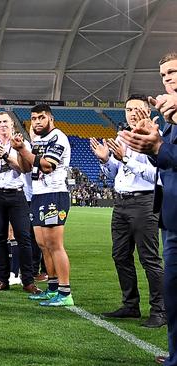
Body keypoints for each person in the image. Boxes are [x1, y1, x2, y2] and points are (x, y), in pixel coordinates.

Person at [118, 51, 177, 366]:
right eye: (164, 75)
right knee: (173, 288)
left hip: (152, 208)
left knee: (158, 270)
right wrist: (152, 148)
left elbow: (165, 160)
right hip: (170, 216)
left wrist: (157, 149)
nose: (168, 79)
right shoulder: (167, 119)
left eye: (173, 72)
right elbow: (164, 165)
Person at [91, 94, 165, 328]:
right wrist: (106, 161)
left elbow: (158, 177)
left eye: (137, 109)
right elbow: (116, 173)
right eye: (127, 109)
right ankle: (130, 305)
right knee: (120, 256)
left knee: (149, 259)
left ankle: (159, 311)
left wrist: (126, 160)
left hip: (145, 202)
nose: (131, 113)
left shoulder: (156, 139)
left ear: (148, 113)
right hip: (121, 203)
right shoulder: (122, 136)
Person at [12, 104, 73, 306]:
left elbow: (47, 166)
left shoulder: (58, 138)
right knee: (43, 245)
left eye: (41, 118)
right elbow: (25, 168)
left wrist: (23, 149)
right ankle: (53, 288)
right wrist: (21, 151)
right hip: (38, 195)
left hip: (55, 194)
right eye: (34, 118)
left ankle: (65, 293)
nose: (37, 122)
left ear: (50, 119)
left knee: (55, 245)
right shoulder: (38, 141)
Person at [0, 112, 39, 294]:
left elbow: (25, 168)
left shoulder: (21, 144)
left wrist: (7, 157)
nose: (3, 125)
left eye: (6, 122)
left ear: (12, 125)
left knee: (24, 237)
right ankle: (2, 280)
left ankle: (28, 280)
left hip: (16, 194)